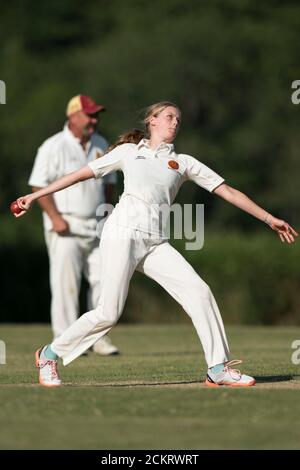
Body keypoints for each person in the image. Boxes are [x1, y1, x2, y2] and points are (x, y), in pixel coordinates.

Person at [15, 101, 298, 388]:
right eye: (169, 117)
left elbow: (228, 191)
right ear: (152, 120)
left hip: (155, 242)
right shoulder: (128, 152)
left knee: (199, 292)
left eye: (178, 119)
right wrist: (34, 197)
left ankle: (217, 368)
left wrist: (268, 218)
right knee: (108, 313)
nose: (175, 123)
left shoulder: (184, 162)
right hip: (121, 234)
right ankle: (49, 355)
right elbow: (79, 175)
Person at [27, 94, 119, 356]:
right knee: (66, 286)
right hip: (64, 224)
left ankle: (98, 339)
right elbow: (38, 185)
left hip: (95, 226)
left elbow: (109, 184)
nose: (94, 120)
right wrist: (55, 218)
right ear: (73, 116)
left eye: (96, 115)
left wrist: (106, 215)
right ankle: (64, 343)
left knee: (106, 282)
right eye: (89, 115)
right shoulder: (52, 146)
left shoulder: (101, 143)